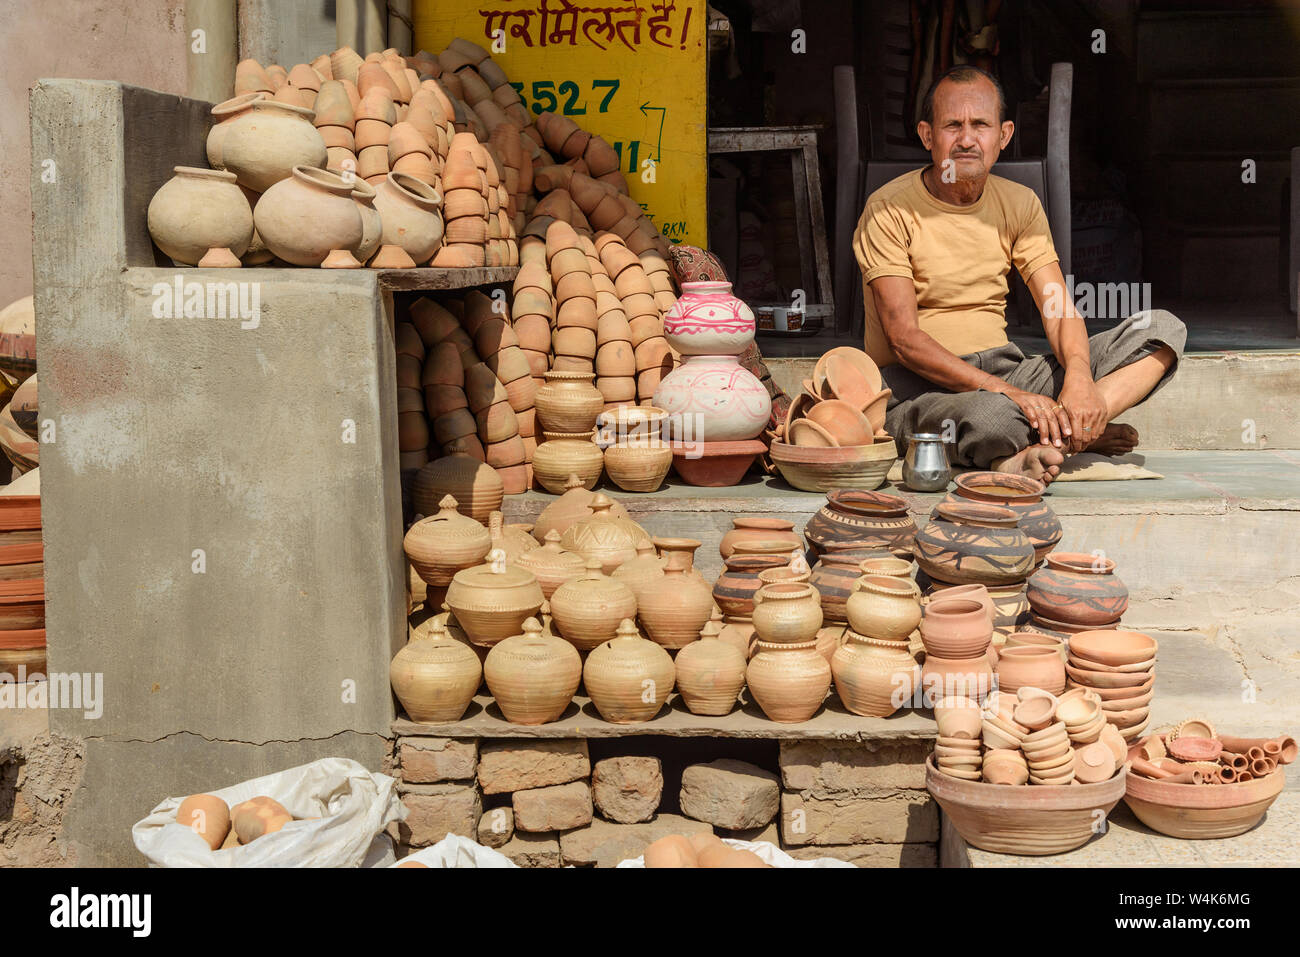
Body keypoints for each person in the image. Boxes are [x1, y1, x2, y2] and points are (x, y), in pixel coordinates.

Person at [854, 64, 1185, 485]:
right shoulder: (888, 209)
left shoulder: (1020, 203)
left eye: (981, 125)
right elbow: (904, 340)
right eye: (952, 125)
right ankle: (1066, 435)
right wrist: (1009, 394)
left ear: (1004, 135)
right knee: (994, 418)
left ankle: (1056, 437)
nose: (967, 139)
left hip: (1007, 370)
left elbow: (1058, 308)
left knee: (1160, 331)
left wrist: (1080, 379)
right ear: (927, 136)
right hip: (921, 389)